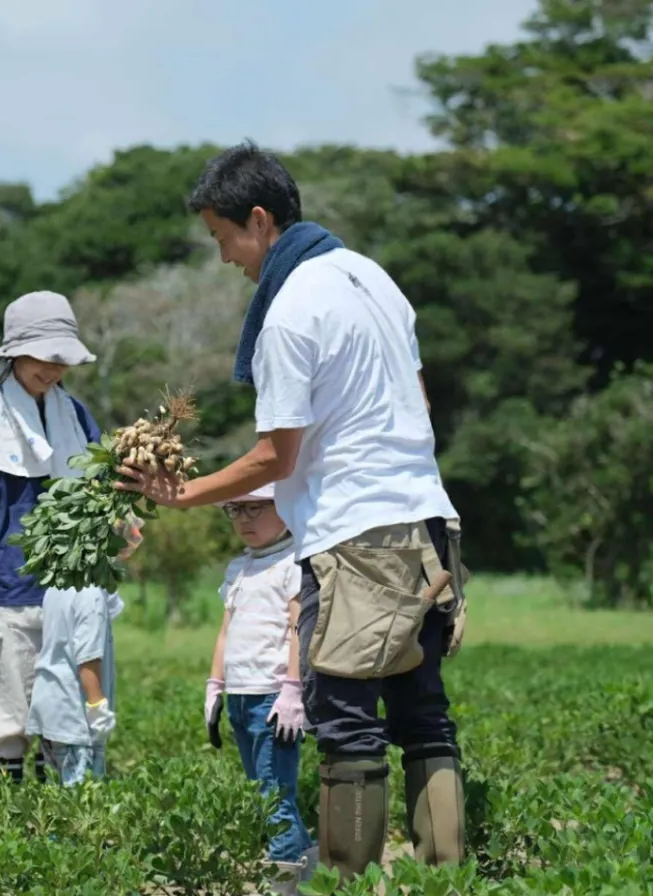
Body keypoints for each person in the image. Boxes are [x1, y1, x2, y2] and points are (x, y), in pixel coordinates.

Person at [117, 141, 468, 881]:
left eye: (222, 238)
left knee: (345, 723)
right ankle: (446, 878)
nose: (224, 258)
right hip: (430, 523)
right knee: (422, 715)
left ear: (258, 220)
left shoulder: (289, 313)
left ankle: (345, 884)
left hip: (356, 537)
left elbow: (275, 457)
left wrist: (180, 493)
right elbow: (419, 405)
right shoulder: (372, 278)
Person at [0, 290, 123, 783]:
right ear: (15, 352)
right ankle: (0, 821)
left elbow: (98, 498)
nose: (54, 369)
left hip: (71, 592)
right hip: (9, 592)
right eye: (44, 357)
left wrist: (105, 570)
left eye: (61, 359)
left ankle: (54, 823)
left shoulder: (76, 414)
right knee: (6, 716)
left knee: (66, 712)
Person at [204, 484, 316, 894]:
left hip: (273, 698)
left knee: (275, 796)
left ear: (285, 508)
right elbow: (226, 630)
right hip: (240, 694)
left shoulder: (294, 562)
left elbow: (299, 630)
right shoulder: (239, 567)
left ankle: (282, 885)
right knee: (262, 793)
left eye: (256, 509)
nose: (244, 520)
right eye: (236, 510)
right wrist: (215, 685)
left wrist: (293, 689)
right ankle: (312, 877)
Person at [24, 585, 116, 786]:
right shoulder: (91, 595)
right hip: (75, 717)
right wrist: (98, 709)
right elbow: (88, 658)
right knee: (82, 796)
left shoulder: (57, 588)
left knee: (58, 794)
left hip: (51, 708)